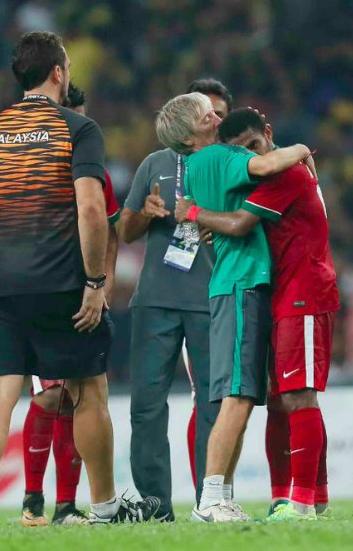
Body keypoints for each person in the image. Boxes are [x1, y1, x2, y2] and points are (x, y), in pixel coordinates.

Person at [0, 31, 161, 527]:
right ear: (57, 72)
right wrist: (96, 282)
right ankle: (104, 505)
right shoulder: (76, 127)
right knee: (89, 391)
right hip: (60, 284)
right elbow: (92, 209)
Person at [176, 108, 339, 521]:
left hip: (302, 291)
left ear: (269, 134)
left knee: (297, 394)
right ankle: (302, 495)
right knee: (282, 397)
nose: (251, 158)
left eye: (254, 147)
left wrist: (194, 214)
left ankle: (299, 500)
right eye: (242, 152)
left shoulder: (284, 172)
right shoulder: (273, 171)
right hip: (280, 292)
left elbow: (240, 223)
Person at [119, 79, 233, 520]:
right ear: (189, 134)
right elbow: (125, 229)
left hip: (211, 295)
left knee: (213, 402)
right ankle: (154, 504)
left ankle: (212, 498)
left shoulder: (231, 162)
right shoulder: (154, 164)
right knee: (146, 404)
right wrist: (142, 214)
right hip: (157, 299)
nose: (219, 119)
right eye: (209, 116)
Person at [20, 84, 122, 527]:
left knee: (79, 393)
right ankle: (32, 499)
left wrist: (104, 284)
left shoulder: (94, 168)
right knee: (52, 397)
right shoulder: (34, 167)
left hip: (87, 294)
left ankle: (65, 506)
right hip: (49, 291)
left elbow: (110, 229)